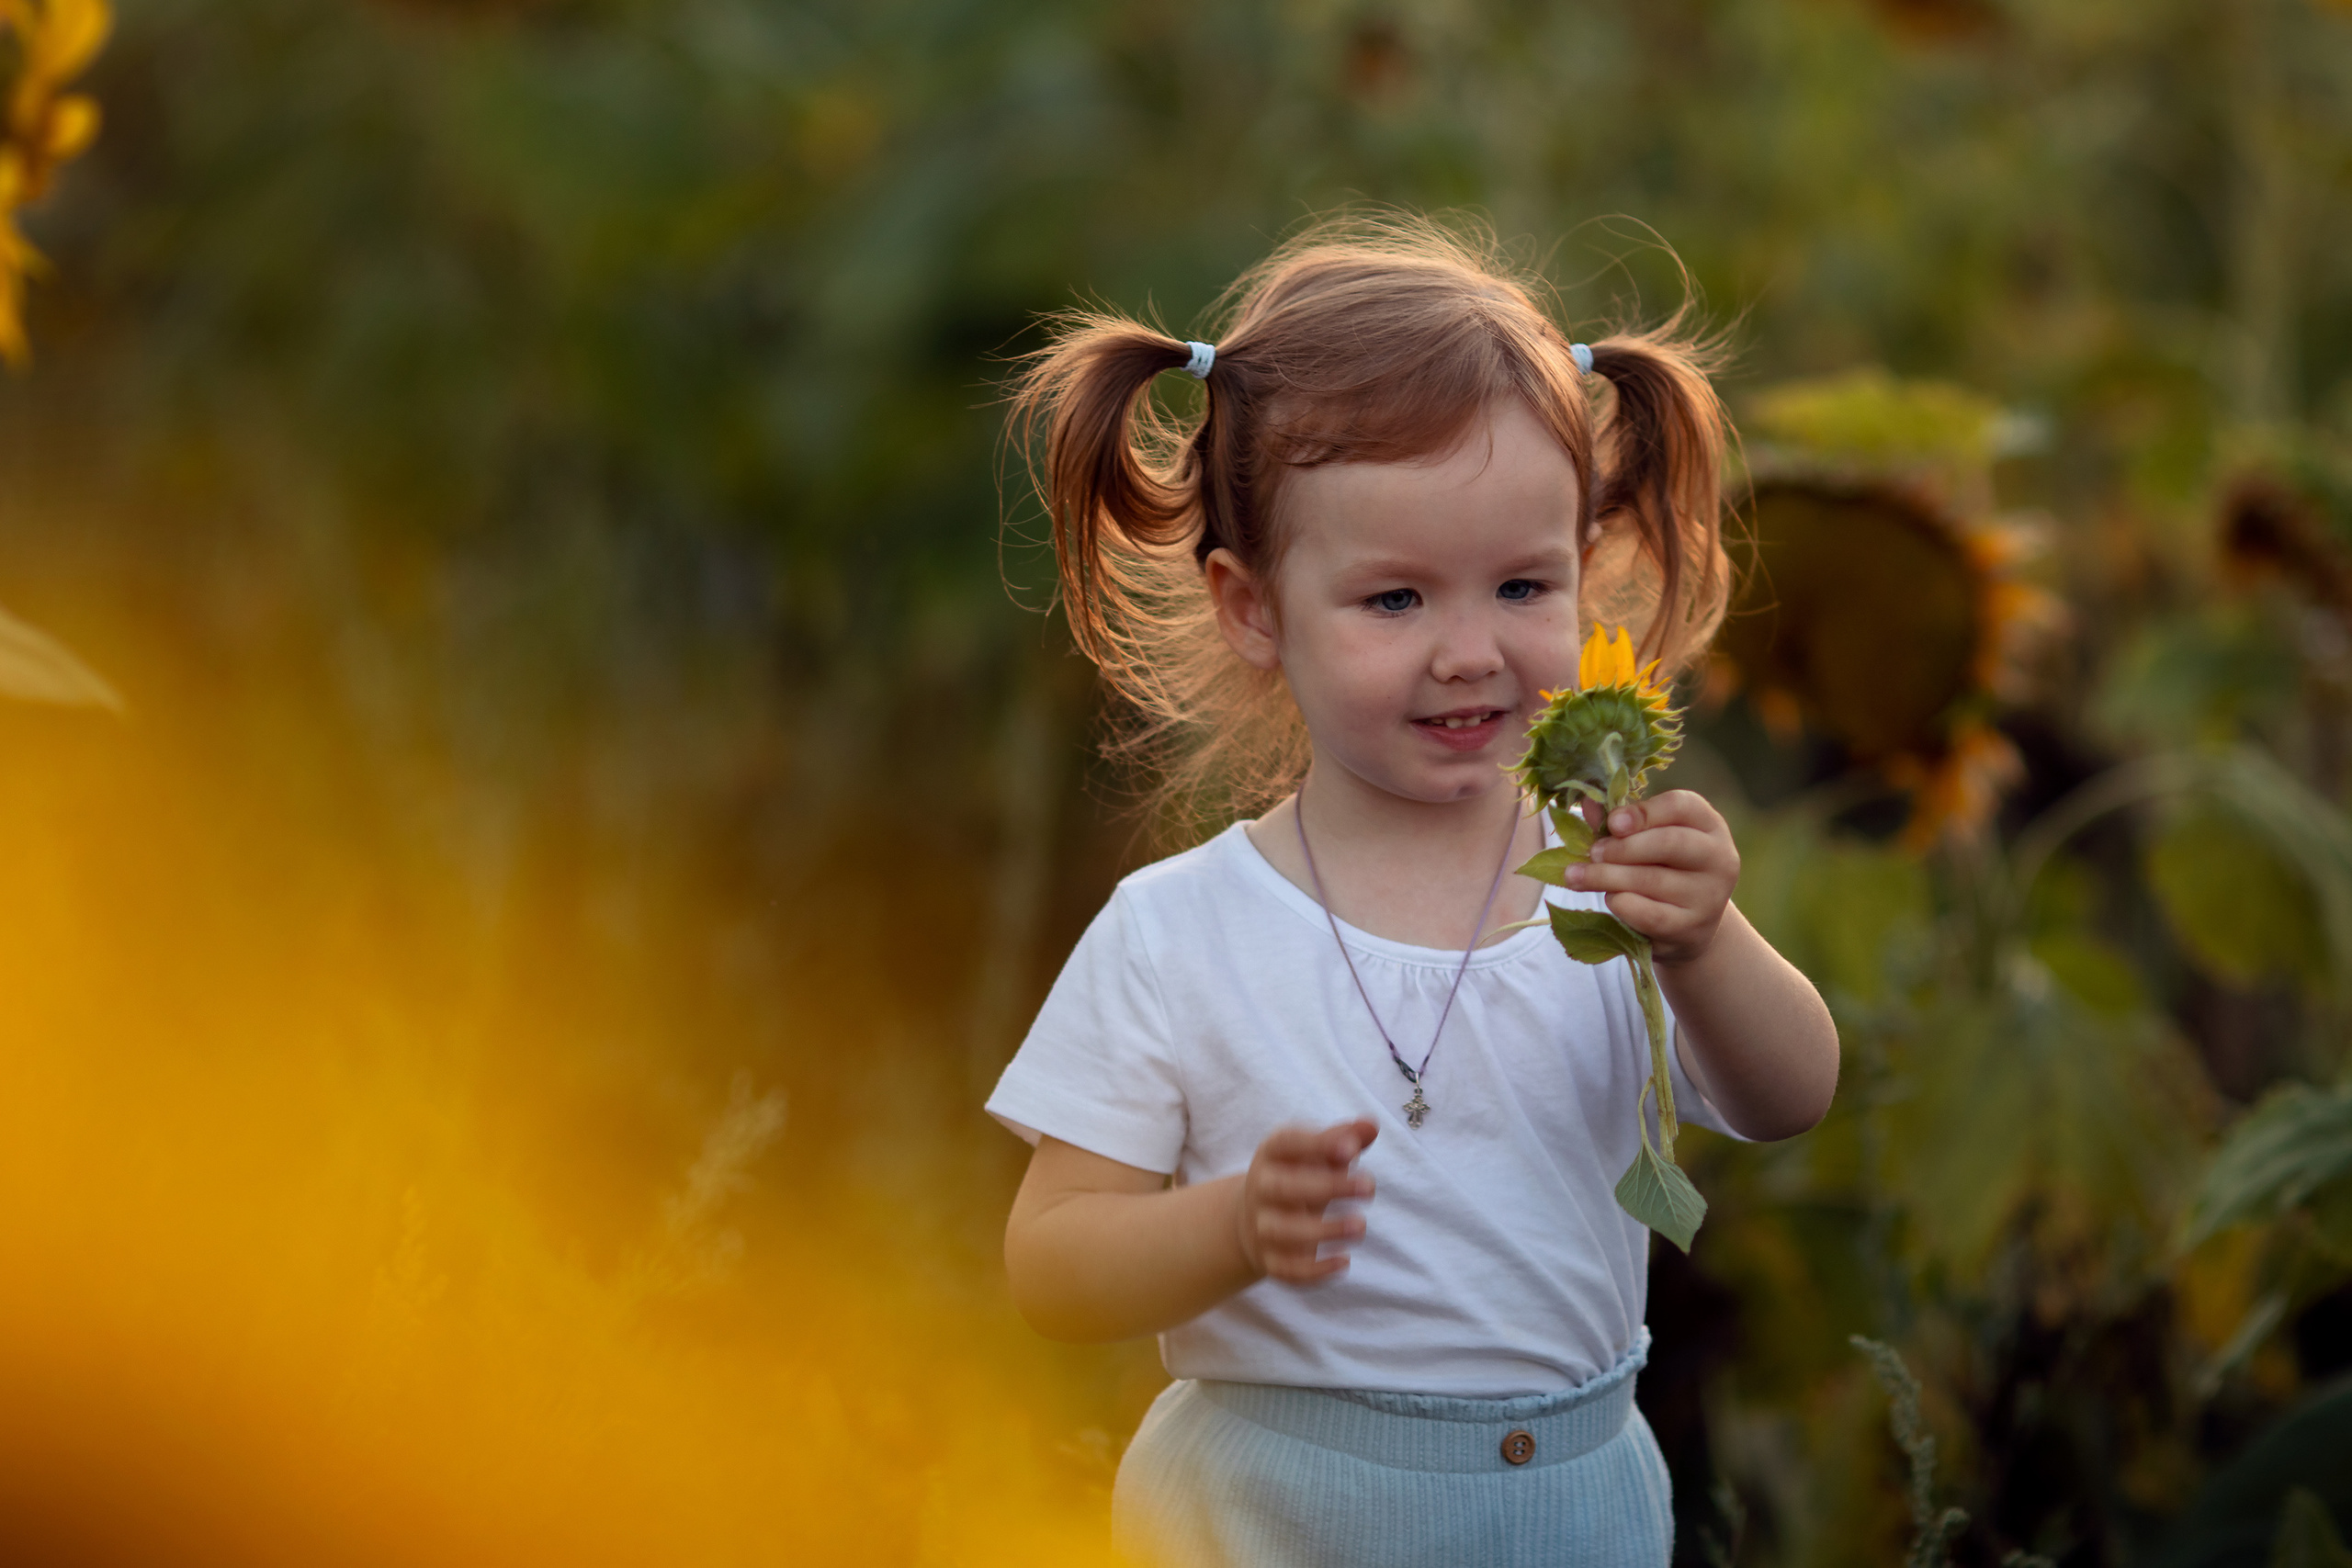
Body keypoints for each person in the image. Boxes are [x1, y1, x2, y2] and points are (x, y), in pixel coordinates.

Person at [987, 214, 1839, 1568]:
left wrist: (1710, 940)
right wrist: (1231, 1225)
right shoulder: (1180, 932)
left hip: (1577, 1498)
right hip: (1278, 1508)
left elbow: (1791, 1097)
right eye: (1394, 601)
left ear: (1586, 570)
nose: (1469, 653)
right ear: (1252, 608)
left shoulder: (1613, 883)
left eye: (1520, 585)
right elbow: (1052, 1265)